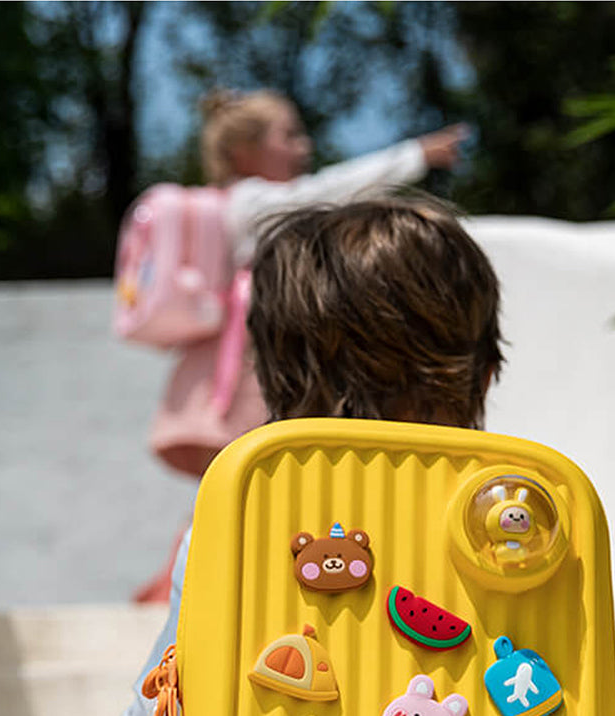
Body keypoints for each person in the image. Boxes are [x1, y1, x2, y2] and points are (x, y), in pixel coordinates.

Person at [56, 199, 615, 716]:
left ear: (268, 381)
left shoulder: (252, 514)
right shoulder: (530, 523)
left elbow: (169, 702)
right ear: (488, 372)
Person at [133, 89, 467, 602]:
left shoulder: (240, 202)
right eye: (288, 135)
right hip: (245, 363)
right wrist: (413, 157)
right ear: (245, 151)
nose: (304, 147)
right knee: (246, 474)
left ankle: (190, 576)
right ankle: (186, 579)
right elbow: (330, 190)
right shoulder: (251, 202)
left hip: (236, 357)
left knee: (240, 482)